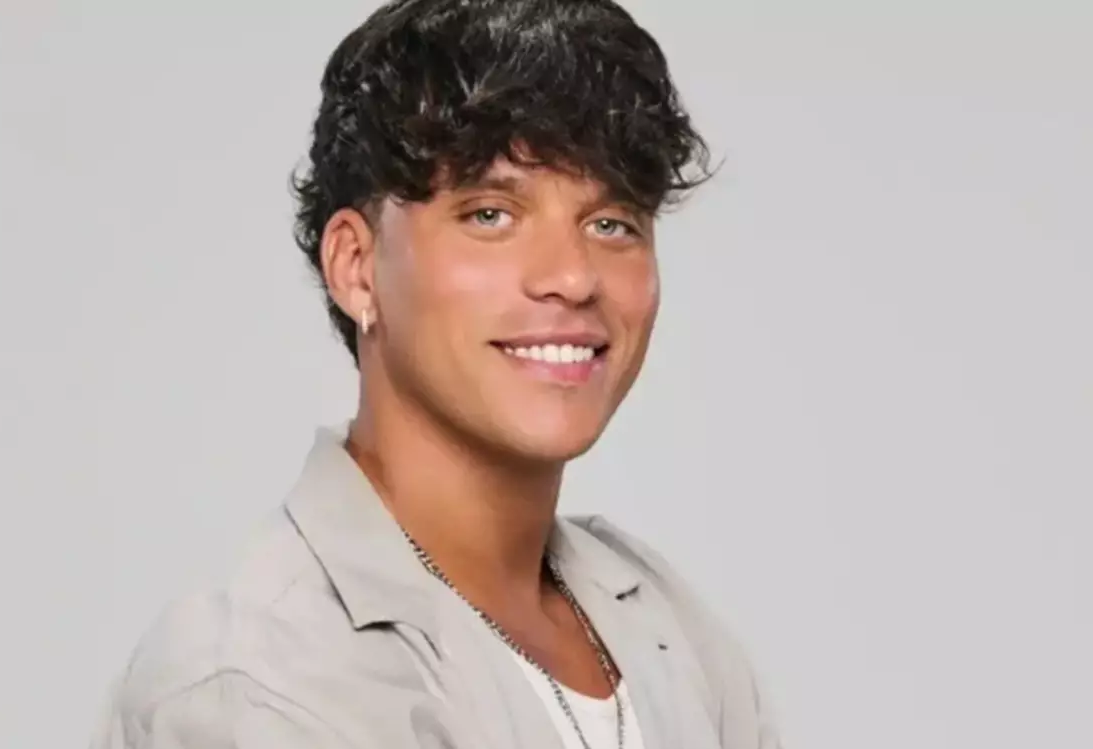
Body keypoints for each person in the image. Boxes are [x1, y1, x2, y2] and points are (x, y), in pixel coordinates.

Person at [92, 1, 782, 747]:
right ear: (356, 267)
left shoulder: (670, 629)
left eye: (610, 223)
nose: (572, 277)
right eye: (490, 214)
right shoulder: (261, 682)